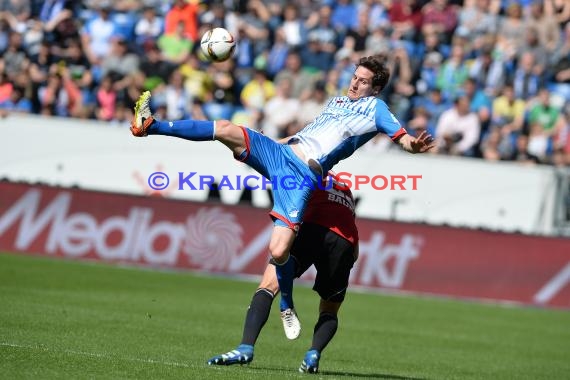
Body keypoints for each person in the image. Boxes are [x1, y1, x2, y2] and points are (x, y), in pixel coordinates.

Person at [130, 54, 434, 339]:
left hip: (300, 176)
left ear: (376, 88)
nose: (355, 83)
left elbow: (404, 139)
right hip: (281, 153)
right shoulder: (337, 101)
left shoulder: (376, 109)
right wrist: (265, 146)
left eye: (363, 81)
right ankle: (150, 126)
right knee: (225, 129)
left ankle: (286, 304)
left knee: (278, 252)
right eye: (354, 77)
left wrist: (413, 146)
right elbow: (305, 135)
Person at [207, 173, 359, 374]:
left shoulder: (305, 171)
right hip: (346, 243)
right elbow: (353, 243)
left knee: (268, 287)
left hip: (312, 228)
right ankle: (313, 353)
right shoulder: (345, 188)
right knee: (329, 310)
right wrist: (346, 260)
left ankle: (245, 347)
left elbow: (292, 207)